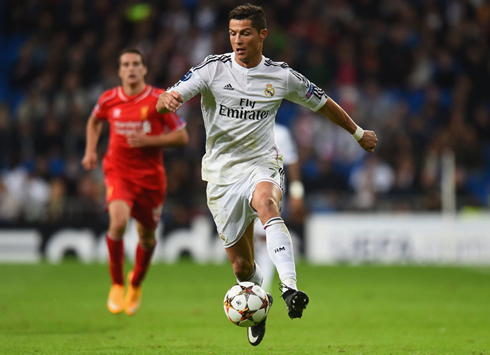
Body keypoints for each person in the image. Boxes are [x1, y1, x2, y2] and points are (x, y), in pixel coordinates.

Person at [156, 4, 377, 346]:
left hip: (262, 163)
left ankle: (290, 287)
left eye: (245, 33)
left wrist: (358, 132)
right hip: (221, 175)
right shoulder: (212, 70)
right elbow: (167, 97)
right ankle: (261, 301)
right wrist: (167, 101)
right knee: (243, 267)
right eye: (232, 33)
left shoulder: (281, 76)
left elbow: (324, 102)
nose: (237, 40)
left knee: (267, 204)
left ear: (262, 35)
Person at [82, 47, 189, 316]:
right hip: (118, 172)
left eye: (135, 64)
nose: (130, 68)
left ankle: (136, 282)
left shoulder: (158, 99)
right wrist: (91, 150)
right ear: (119, 71)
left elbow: (182, 136)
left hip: (151, 178)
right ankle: (117, 284)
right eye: (125, 64)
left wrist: (150, 141)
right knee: (117, 223)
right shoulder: (109, 99)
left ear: (144, 69)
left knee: (147, 236)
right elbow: (94, 121)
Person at [254, 123, 305, 292]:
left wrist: (297, 192)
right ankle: (258, 286)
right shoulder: (242, 125)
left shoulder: (281, 132)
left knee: (265, 236)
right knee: (250, 239)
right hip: (243, 186)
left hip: (271, 189)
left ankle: (263, 287)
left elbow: (292, 163)